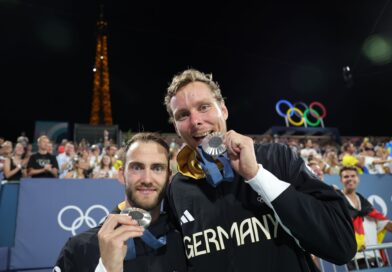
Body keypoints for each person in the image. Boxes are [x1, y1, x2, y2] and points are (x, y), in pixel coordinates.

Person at [163, 68, 356, 271]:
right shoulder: (177, 189)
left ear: (224, 110)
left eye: (204, 107)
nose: (195, 121)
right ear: (176, 127)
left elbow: (341, 244)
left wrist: (256, 175)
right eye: (183, 115)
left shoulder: (277, 158)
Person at [54, 132, 187, 272]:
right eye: (137, 167)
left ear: (168, 178)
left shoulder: (185, 242)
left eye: (157, 168)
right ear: (121, 175)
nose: (147, 179)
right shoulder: (80, 247)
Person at [338, 166, 392, 270]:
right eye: (346, 176)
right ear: (341, 180)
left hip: (375, 258)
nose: (350, 179)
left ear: (358, 178)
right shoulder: (337, 203)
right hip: (355, 259)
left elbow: (385, 223)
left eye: (353, 176)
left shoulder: (366, 205)